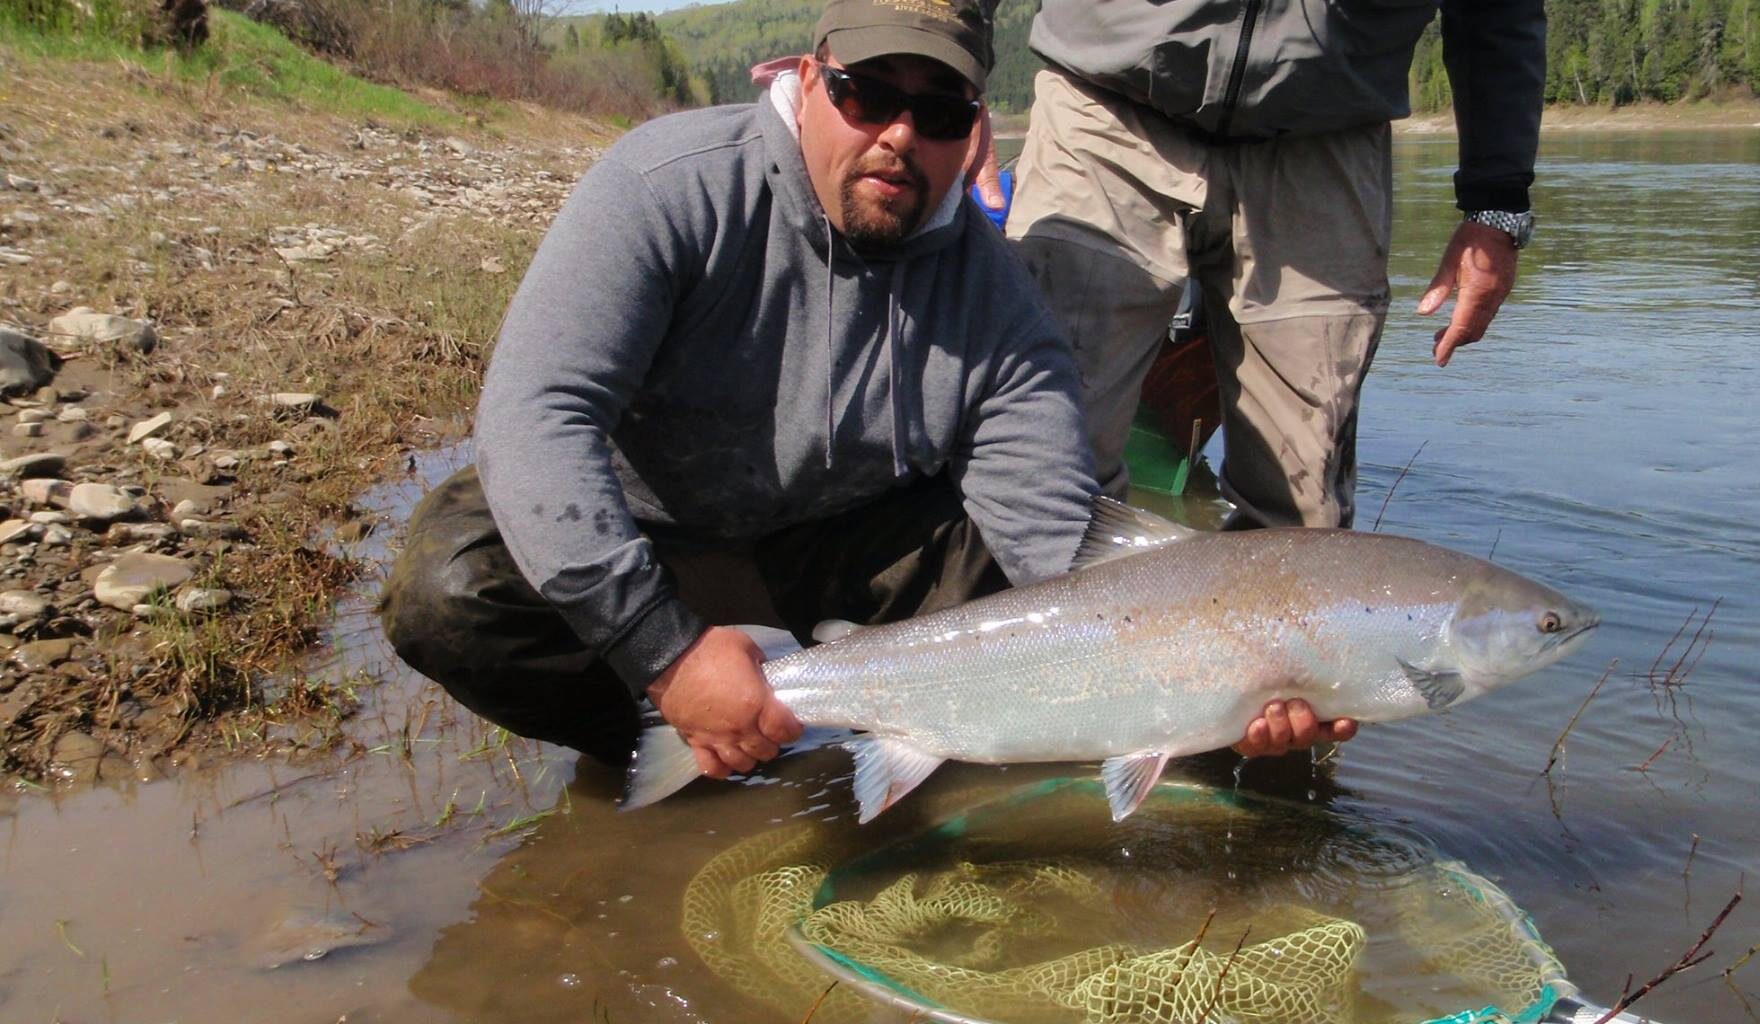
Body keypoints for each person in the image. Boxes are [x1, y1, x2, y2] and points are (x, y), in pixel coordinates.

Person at [378, 0, 1346, 793]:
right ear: (805, 80)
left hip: (848, 547)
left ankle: (839, 728)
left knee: (1038, 581)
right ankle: (703, 739)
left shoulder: (1003, 308)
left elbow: (1058, 552)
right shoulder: (666, 186)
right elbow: (536, 417)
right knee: (447, 587)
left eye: (939, 113)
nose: (897, 135)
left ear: (974, 134)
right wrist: (663, 653)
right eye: (866, 93)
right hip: (652, 526)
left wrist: (1221, 692)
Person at [1000, 0, 1545, 530]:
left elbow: (1499, 9)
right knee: (1046, 474)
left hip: (1327, 129)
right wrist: (941, 87)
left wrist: (1497, 200)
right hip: (1103, 102)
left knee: (1303, 515)